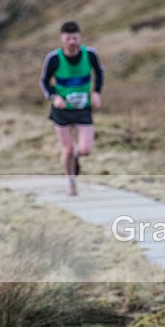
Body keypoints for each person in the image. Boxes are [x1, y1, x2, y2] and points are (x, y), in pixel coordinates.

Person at [40, 21, 104, 196]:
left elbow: (99, 73)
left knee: (85, 149)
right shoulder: (54, 58)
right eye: (68, 38)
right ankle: (70, 180)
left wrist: (96, 92)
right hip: (62, 110)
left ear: (80, 37)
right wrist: (55, 97)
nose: (72, 41)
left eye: (75, 37)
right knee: (67, 148)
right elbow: (44, 82)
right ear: (62, 39)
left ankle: (75, 157)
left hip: (83, 108)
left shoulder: (89, 54)